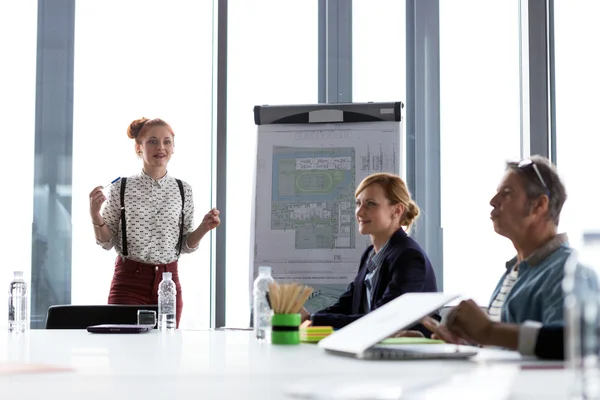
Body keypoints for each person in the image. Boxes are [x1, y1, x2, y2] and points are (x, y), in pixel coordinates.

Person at [88, 117, 220, 328]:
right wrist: (95, 214)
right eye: (152, 141)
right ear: (138, 148)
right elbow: (107, 242)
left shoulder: (183, 189)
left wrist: (204, 228)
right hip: (128, 282)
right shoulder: (120, 187)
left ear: (173, 147)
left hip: (169, 282)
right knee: (124, 354)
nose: (161, 147)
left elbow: (186, 245)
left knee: (167, 354)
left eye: (167, 141)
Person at [300, 172, 438, 330]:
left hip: (404, 350)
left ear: (397, 210)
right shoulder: (370, 255)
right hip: (372, 345)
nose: (359, 212)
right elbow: (348, 304)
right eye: (358, 203)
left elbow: (385, 318)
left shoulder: (408, 257)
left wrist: (313, 320)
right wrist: (308, 319)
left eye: (370, 204)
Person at [423, 300, 565, 360]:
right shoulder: (513, 270)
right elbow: (498, 348)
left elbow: (566, 345)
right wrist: (463, 345)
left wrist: (490, 331)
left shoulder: (563, 269)